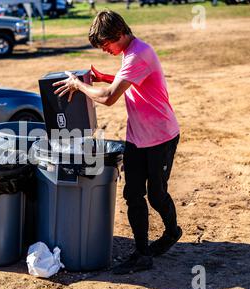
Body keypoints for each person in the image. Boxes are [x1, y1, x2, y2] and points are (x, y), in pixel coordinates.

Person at [53, 10, 182, 274]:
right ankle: (142, 253)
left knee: (156, 195)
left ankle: (172, 232)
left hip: (161, 136)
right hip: (137, 136)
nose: (104, 50)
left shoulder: (138, 54)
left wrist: (79, 85)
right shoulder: (130, 53)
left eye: (105, 44)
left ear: (120, 33)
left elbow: (110, 98)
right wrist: (105, 77)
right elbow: (131, 83)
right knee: (133, 194)